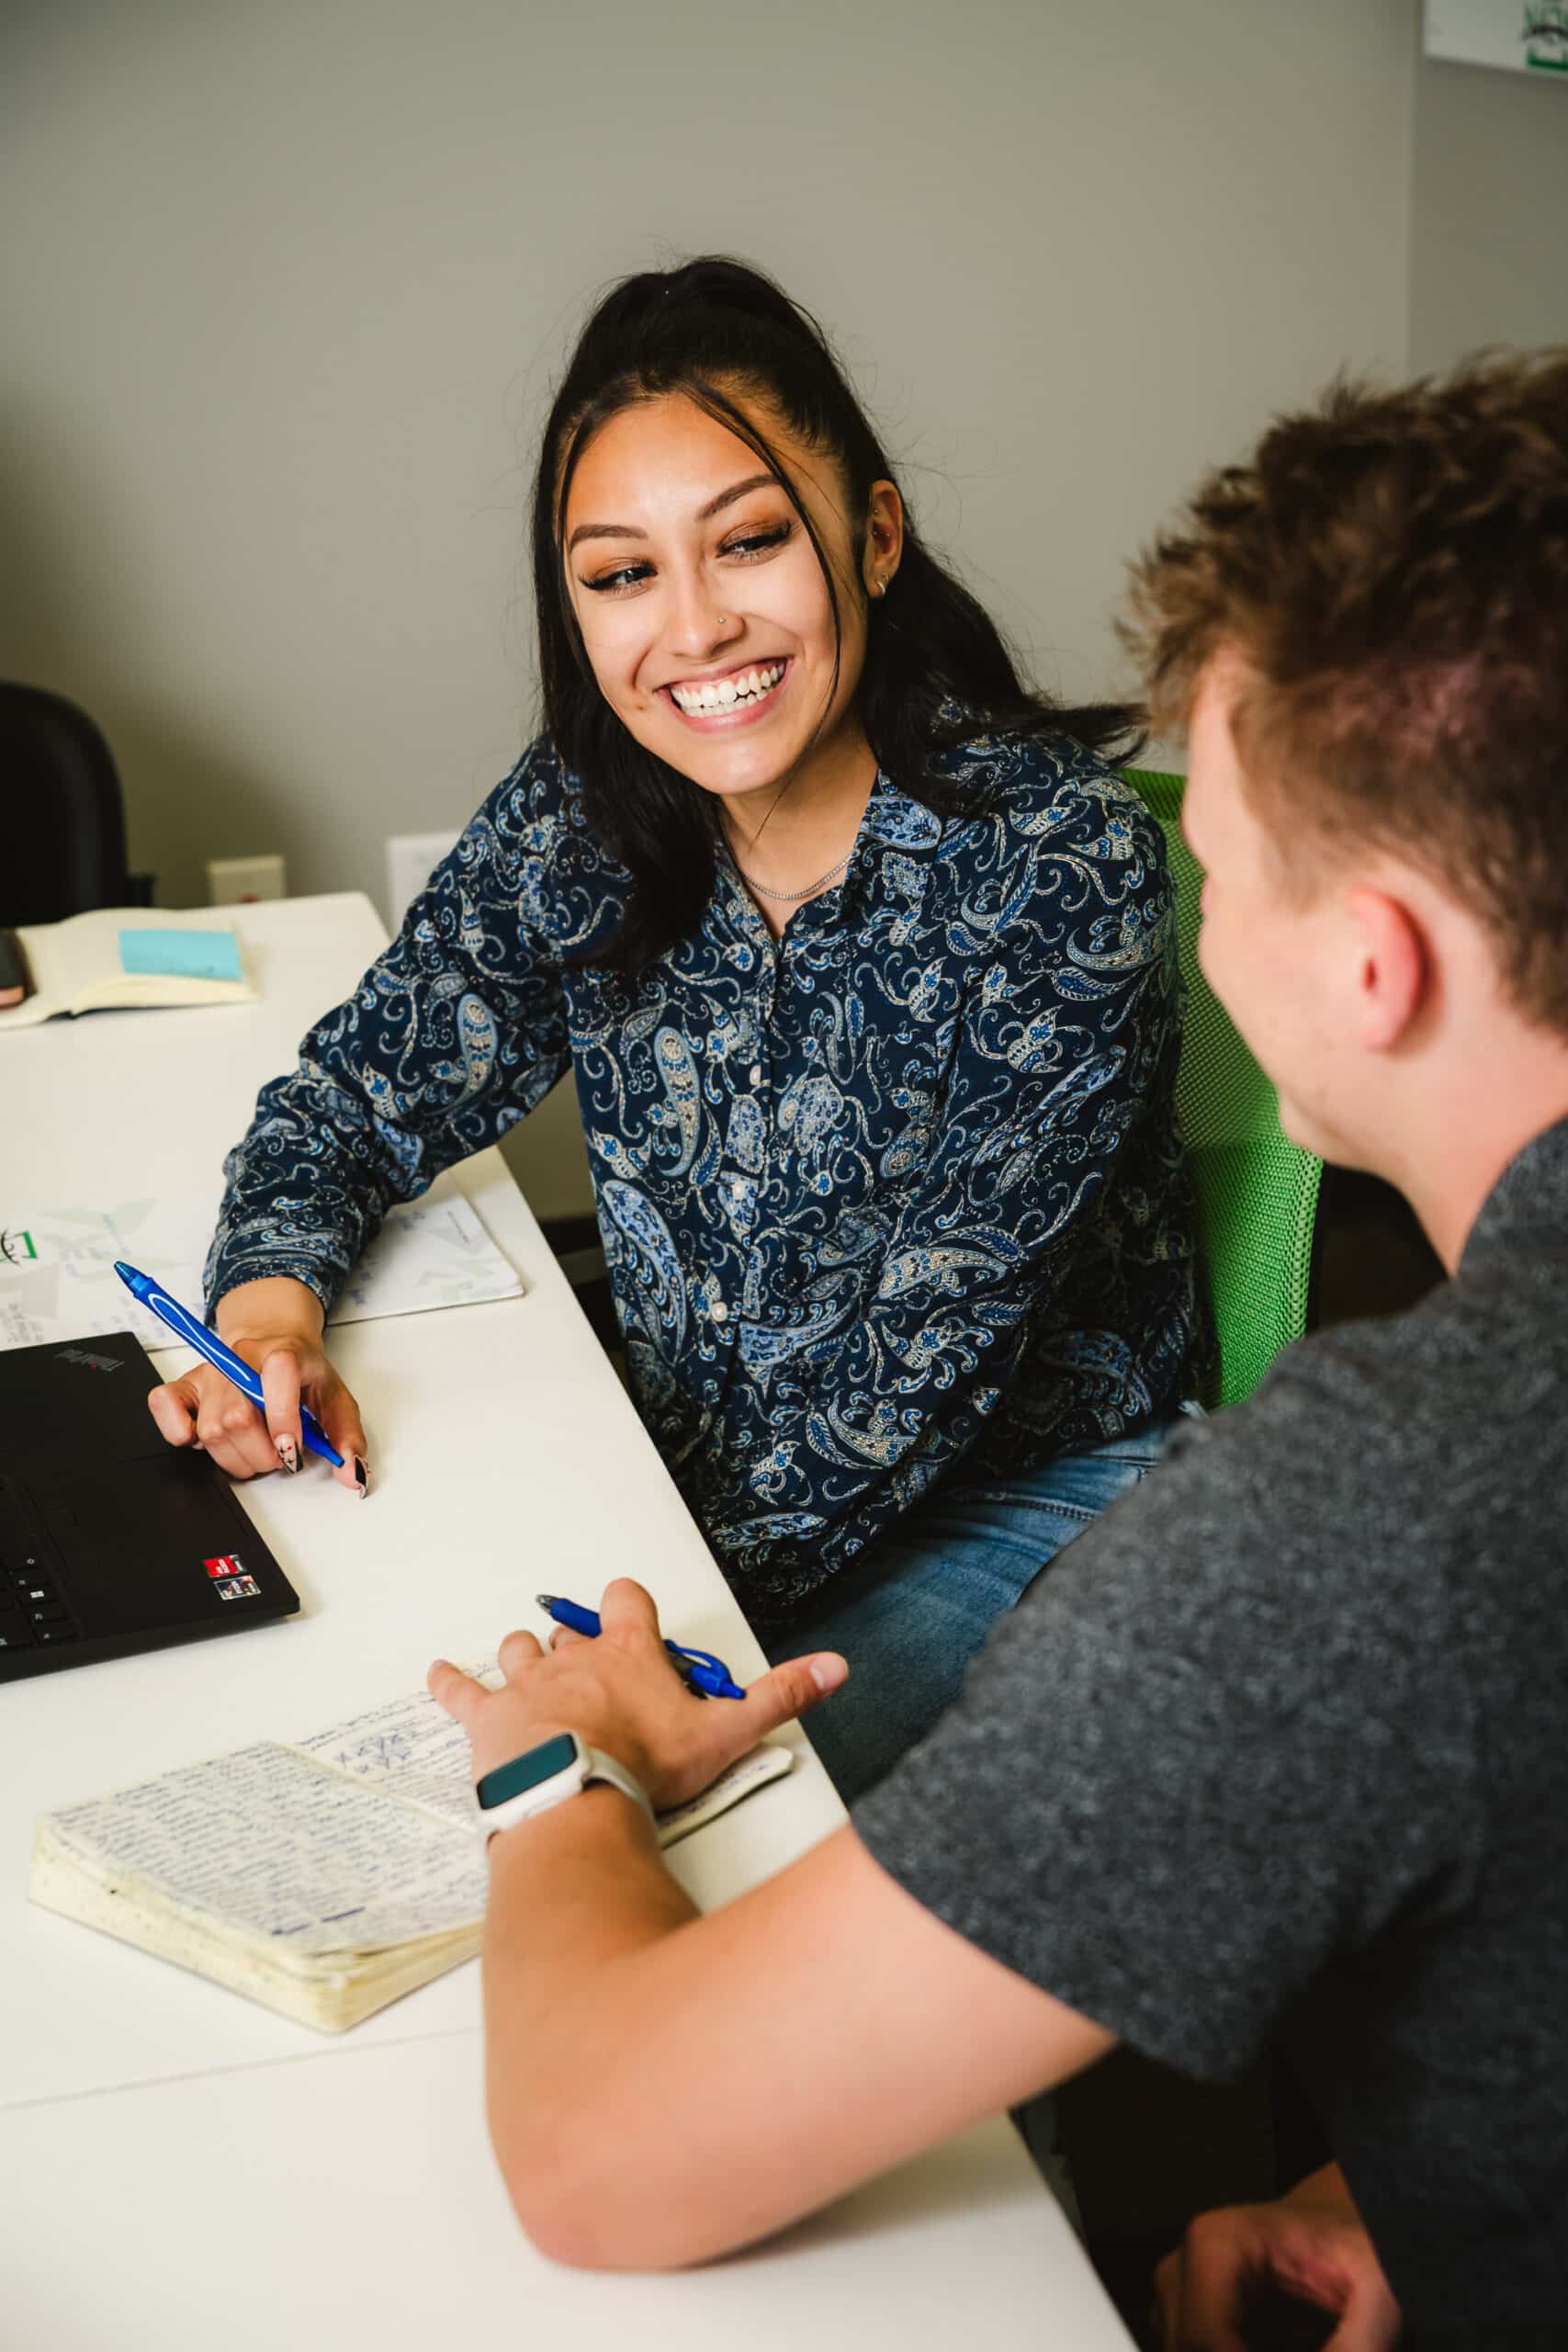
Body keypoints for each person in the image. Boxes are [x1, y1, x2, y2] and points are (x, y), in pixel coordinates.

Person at [424, 351, 1568, 2352]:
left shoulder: (1357, 1525)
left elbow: (603, 2145)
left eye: (1218, 861)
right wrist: (1414, 2173)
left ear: (1366, 960)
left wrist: (557, 1764)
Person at [148, 257, 1201, 1799]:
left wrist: (607, 1617)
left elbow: (897, 1383)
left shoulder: (1049, 870)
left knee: (615, 1818)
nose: (696, 631)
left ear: (877, 535)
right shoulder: (585, 809)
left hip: (1017, 1505)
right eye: (621, 574)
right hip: (681, 1477)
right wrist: (268, 1319)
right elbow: (360, 1092)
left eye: (752, 543)